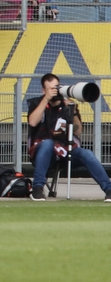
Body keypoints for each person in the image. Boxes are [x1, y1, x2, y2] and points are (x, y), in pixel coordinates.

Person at [27, 73, 111, 202]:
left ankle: (109, 189)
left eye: (57, 87)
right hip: (45, 154)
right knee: (48, 143)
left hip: (65, 151)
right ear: (43, 90)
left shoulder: (67, 106)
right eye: (51, 89)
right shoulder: (36, 103)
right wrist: (46, 99)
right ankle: (37, 189)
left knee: (86, 153)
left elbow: (78, 130)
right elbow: (32, 122)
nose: (55, 91)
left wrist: (72, 110)